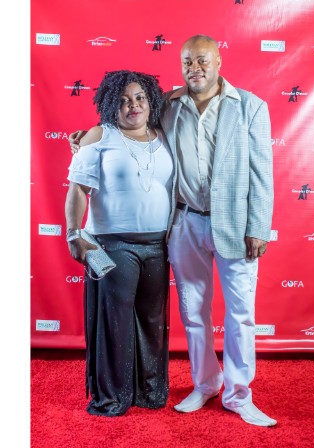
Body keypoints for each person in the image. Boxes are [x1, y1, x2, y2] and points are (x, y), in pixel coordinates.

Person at [70, 35, 276, 427]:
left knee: (241, 313)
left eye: (202, 60)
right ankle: (205, 383)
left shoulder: (251, 106)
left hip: (235, 224)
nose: (194, 68)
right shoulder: (168, 104)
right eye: (187, 62)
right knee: (193, 311)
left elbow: (262, 172)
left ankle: (238, 394)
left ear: (218, 61)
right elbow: (125, 118)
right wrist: (87, 135)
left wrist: (259, 227)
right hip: (185, 223)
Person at [64, 70, 174, 417]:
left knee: (152, 320)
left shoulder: (165, 136)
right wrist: (73, 233)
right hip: (112, 244)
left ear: (151, 102)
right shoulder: (99, 136)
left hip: (158, 245)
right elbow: (78, 189)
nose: (133, 105)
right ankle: (112, 396)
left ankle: (150, 391)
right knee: (115, 323)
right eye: (124, 100)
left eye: (140, 98)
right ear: (112, 104)